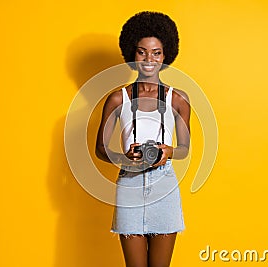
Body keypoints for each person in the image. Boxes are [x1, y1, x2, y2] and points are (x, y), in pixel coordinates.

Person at [95, 11, 190, 267]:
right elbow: (100, 149)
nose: (149, 59)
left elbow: (184, 149)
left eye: (156, 52)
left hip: (164, 187)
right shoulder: (117, 99)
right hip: (130, 185)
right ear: (132, 54)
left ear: (166, 54)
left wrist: (168, 151)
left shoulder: (178, 99)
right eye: (142, 52)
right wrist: (125, 158)